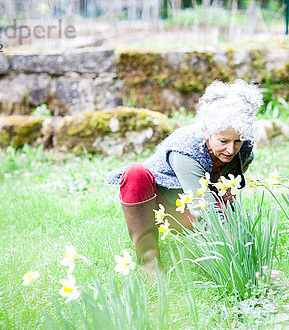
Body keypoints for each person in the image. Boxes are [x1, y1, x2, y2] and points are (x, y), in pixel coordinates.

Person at [107, 79, 263, 276]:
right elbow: (204, 209)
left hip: (194, 208)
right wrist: (243, 263)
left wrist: (248, 262)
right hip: (163, 208)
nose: (231, 149)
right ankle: (150, 267)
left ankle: (219, 259)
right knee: (135, 173)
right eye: (223, 141)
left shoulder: (244, 148)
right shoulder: (186, 150)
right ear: (207, 132)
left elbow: (228, 191)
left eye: (237, 141)